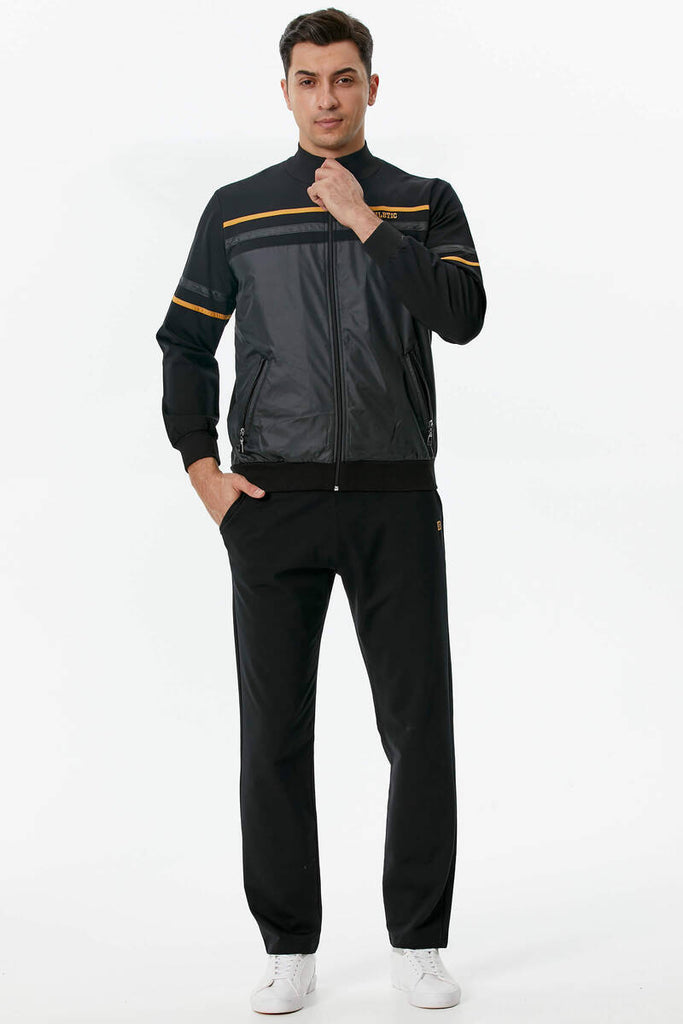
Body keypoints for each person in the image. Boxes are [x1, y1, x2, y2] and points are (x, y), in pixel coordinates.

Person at [155, 7, 486, 1014]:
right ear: (286, 90)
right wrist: (202, 468)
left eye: (344, 78)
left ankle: (417, 941)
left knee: (418, 727)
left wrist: (365, 222)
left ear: (371, 87)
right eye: (308, 80)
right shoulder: (237, 209)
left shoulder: (422, 202)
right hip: (273, 503)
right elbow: (183, 340)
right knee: (274, 732)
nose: (327, 97)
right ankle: (288, 945)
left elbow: (461, 318)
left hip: (395, 496)